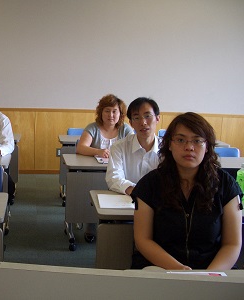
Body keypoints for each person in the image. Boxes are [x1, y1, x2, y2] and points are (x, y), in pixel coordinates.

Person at [131, 112, 242, 270]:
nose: (189, 147)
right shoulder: (150, 184)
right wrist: (179, 270)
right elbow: (143, 240)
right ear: (169, 144)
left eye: (197, 141)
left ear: (207, 146)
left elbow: (232, 243)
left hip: (212, 269)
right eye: (181, 140)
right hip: (160, 268)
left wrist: (208, 277)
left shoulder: (226, 185)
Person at [76, 94, 134, 243]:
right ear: (101, 112)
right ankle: (91, 222)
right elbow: (81, 147)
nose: (111, 115)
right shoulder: (93, 128)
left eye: (115, 111)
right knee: (93, 188)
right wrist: (98, 151)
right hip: (95, 172)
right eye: (107, 111)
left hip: (120, 171)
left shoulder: (125, 129)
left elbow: (133, 148)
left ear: (120, 113)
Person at [105, 97, 161, 196]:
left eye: (147, 116)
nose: (143, 122)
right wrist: (137, 192)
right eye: (136, 118)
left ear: (157, 118)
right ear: (131, 123)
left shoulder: (168, 149)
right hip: (127, 201)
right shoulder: (119, 147)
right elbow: (113, 178)